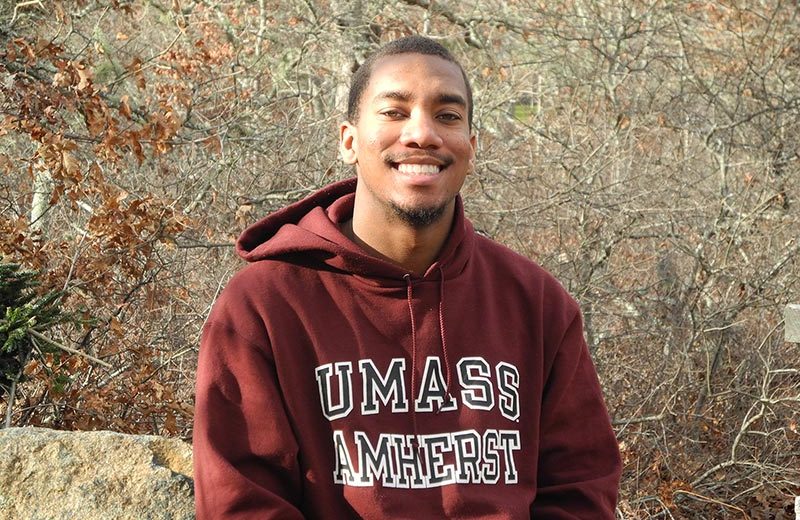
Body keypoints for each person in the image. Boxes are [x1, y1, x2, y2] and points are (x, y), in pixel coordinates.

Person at [193, 35, 622, 519]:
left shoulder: (537, 303)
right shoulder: (264, 305)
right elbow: (241, 502)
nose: (422, 134)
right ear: (349, 141)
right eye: (394, 112)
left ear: (471, 146)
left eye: (448, 115)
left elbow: (581, 489)